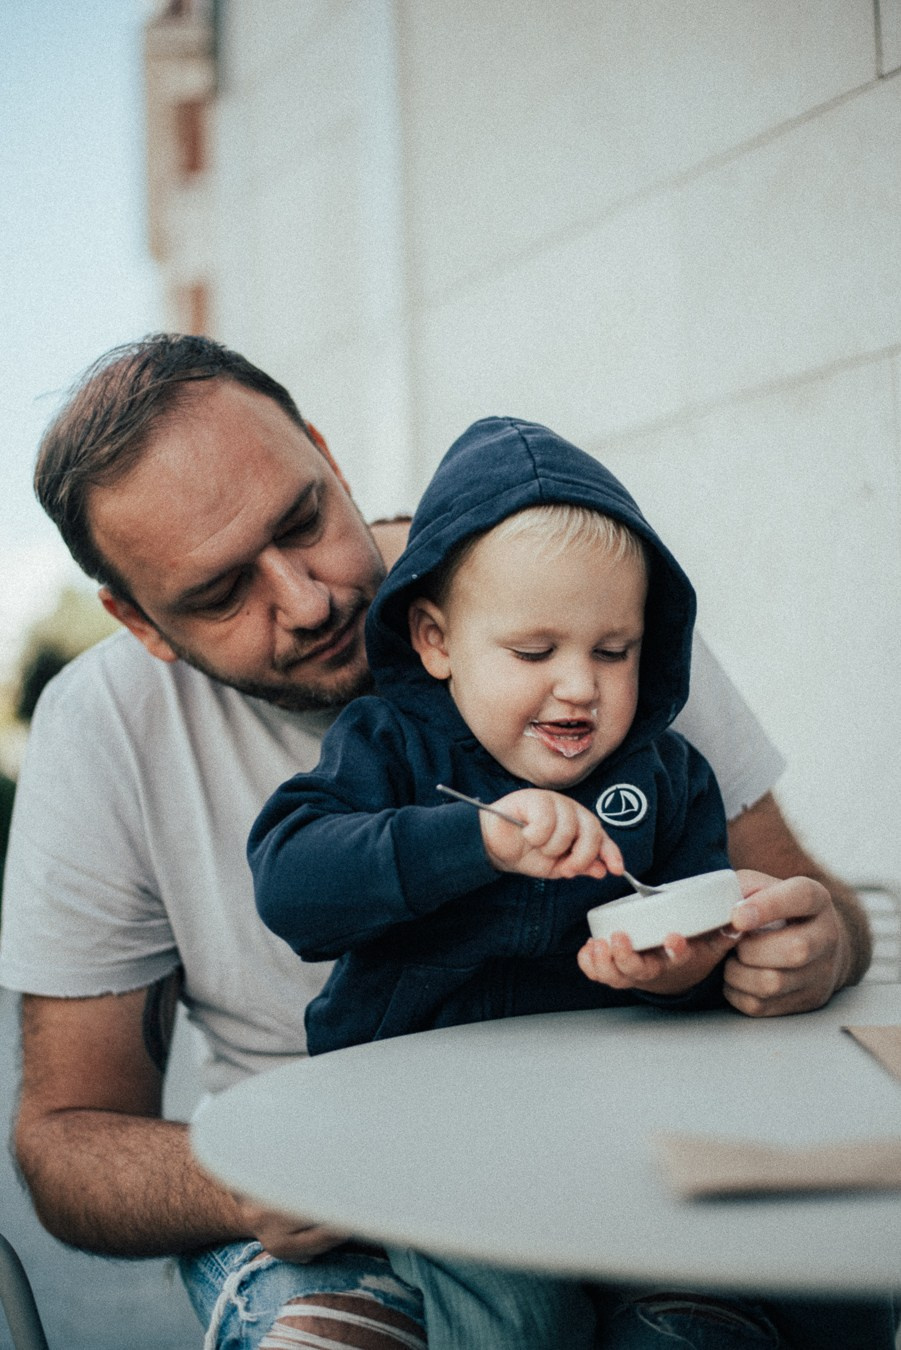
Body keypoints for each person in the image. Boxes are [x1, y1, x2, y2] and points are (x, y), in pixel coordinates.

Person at [0, 334, 880, 1350]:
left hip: (628, 1146)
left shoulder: (562, 584)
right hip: (338, 1192)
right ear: (139, 621)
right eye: (219, 593)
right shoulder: (106, 728)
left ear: (327, 455)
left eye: (303, 520)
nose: (309, 598)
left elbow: (793, 902)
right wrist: (255, 1179)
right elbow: (64, 1143)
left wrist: (811, 947)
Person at [248, 416, 742, 1347]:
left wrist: (677, 969)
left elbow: (709, 938)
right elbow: (291, 882)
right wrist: (474, 840)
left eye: (612, 650)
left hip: (613, 1134)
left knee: (722, 1307)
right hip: (427, 1135)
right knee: (523, 1311)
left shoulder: (665, 778)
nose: (578, 688)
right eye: (533, 652)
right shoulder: (386, 746)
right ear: (435, 641)